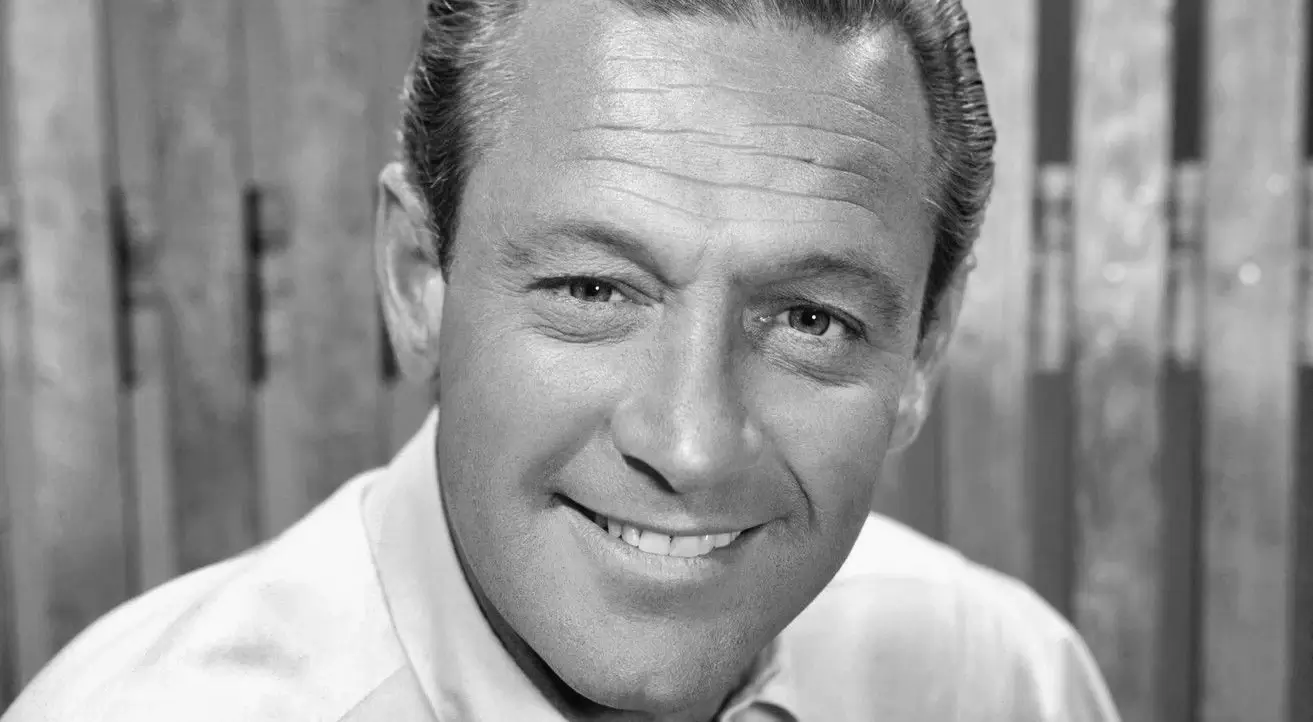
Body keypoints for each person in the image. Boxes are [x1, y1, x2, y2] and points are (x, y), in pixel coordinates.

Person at [4, 0, 1122, 720]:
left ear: (922, 348)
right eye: (593, 289)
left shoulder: (996, 678)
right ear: (418, 279)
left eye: (808, 319)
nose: (689, 444)